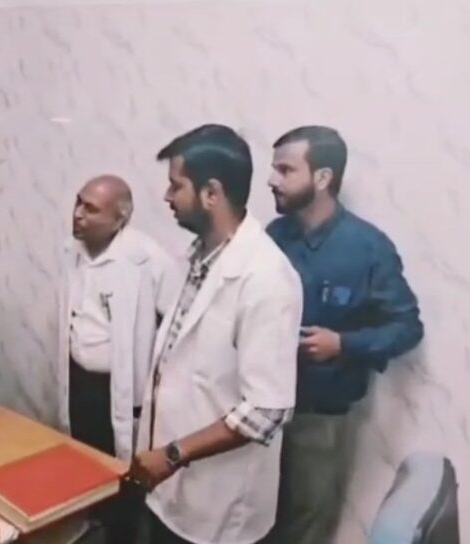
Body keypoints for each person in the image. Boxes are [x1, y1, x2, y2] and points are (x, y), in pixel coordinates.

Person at [127, 124, 303, 544]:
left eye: (176, 185)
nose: (167, 196)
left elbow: (265, 411)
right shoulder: (198, 258)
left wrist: (173, 455)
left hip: (219, 506)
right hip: (169, 486)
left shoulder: (267, 278)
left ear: (211, 193)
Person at [261, 126, 423, 544]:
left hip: (320, 419)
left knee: (306, 526)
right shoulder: (273, 237)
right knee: (254, 519)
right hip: (261, 409)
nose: (272, 179)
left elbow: (407, 326)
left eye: (285, 170)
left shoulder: (368, 247)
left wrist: (343, 344)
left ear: (322, 178)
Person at [59, 174, 177, 543]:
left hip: (120, 390)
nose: (78, 214)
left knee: (122, 476)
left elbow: (178, 323)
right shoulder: (72, 250)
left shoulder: (148, 260)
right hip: (79, 381)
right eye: (78, 202)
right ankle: (89, 530)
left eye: (91, 209)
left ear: (120, 217)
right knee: (83, 463)